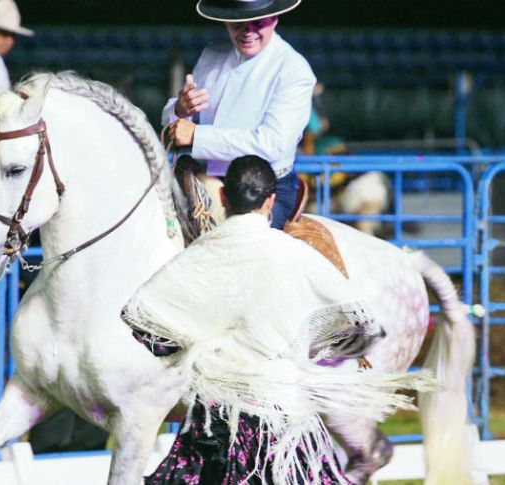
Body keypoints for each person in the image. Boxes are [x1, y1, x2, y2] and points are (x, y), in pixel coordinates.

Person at [122, 156, 436, 484]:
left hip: (212, 423)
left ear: (224, 198)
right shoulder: (298, 256)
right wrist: (302, 354)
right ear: (271, 200)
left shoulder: (197, 256)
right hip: (282, 424)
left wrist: (198, 354)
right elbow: (361, 326)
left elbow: (143, 320)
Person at [163, 0, 316, 229]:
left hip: (261, 188)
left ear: (274, 18)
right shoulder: (211, 55)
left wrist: (197, 136)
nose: (248, 31)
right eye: (239, 23)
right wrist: (180, 110)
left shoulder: (293, 70)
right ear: (226, 21)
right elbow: (179, 125)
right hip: (203, 179)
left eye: (258, 22)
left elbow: (271, 144)